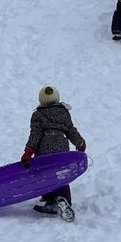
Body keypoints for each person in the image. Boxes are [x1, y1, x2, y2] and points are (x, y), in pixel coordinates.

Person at [21, 86, 86, 222]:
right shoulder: (63, 113)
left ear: (41, 101)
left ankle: (50, 200)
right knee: (62, 175)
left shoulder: (37, 115)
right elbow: (70, 130)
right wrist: (80, 143)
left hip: (44, 153)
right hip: (62, 151)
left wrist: (28, 152)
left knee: (45, 176)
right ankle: (64, 199)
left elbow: (35, 135)